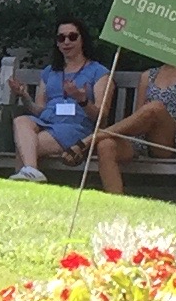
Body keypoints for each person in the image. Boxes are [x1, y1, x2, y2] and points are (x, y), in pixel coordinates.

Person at [91, 58, 176, 195]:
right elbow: (138, 115)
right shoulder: (148, 76)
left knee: (156, 108)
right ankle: (115, 201)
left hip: (173, 140)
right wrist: (152, 118)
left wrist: (164, 120)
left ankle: (91, 139)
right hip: (142, 137)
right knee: (106, 145)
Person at [9, 18, 111, 183]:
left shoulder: (98, 72)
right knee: (22, 121)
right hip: (48, 122)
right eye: (61, 38)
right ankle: (31, 173)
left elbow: (101, 117)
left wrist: (82, 100)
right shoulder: (50, 71)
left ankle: (25, 183)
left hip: (76, 128)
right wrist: (24, 96)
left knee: (26, 146)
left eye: (72, 36)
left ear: (82, 39)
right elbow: (39, 110)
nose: (66, 42)